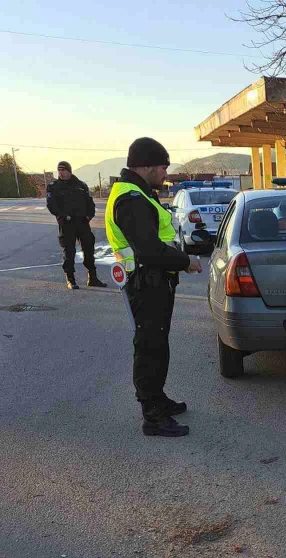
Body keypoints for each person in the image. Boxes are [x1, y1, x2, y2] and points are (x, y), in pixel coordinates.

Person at [104, 137, 202, 438]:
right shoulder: (131, 199)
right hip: (147, 283)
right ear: (147, 166)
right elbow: (148, 250)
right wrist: (185, 260)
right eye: (163, 166)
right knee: (149, 347)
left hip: (154, 281)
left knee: (157, 344)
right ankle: (152, 415)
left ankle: (158, 399)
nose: (165, 173)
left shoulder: (139, 193)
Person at [46, 160, 106, 290]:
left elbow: (90, 203)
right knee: (69, 251)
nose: (61, 173)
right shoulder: (54, 186)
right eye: (59, 170)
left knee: (89, 249)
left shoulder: (81, 185)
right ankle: (70, 279)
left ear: (69, 171)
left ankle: (93, 277)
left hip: (83, 222)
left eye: (63, 170)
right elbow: (51, 205)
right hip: (67, 223)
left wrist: (89, 215)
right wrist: (62, 216)